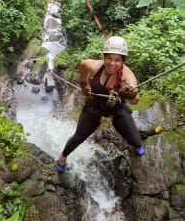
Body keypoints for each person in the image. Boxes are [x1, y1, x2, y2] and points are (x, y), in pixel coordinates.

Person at [57, 36, 145, 173]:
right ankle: (63, 156)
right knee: (78, 137)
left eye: (117, 60)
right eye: (109, 58)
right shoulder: (95, 66)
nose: (112, 63)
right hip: (94, 106)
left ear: (123, 61)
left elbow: (135, 101)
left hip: (117, 108)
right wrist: (85, 83)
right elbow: (83, 65)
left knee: (137, 142)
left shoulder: (128, 77)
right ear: (104, 57)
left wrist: (130, 94)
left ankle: (137, 145)